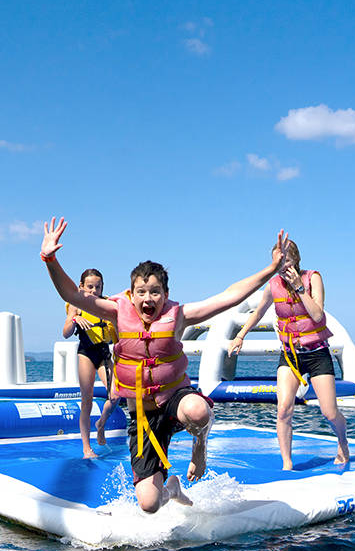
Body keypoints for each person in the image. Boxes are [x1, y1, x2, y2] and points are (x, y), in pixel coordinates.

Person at [41, 217, 287, 514]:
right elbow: (72, 294)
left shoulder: (180, 315)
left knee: (198, 411)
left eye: (155, 292)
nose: (148, 299)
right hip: (143, 414)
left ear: (166, 295)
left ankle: (199, 447)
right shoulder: (116, 313)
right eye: (141, 292)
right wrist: (50, 259)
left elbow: (229, 296)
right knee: (149, 504)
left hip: (174, 398)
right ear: (131, 295)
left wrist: (271, 269)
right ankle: (172, 488)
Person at [228, 238, 349, 470]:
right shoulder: (273, 285)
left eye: (287, 261)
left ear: (297, 260)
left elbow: (318, 316)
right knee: (283, 409)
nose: (283, 267)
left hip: (317, 353)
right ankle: (287, 463)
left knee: (329, 412)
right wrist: (240, 335)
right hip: (290, 355)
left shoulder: (313, 278)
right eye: (279, 262)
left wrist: (299, 287)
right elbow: (257, 313)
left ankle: (342, 442)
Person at [62, 268, 118, 459]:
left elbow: (118, 334)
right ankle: (87, 448)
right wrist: (75, 318)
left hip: (104, 353)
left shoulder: (108, 304)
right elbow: (66, 333)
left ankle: (101, 424)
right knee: (87, 400)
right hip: (86, 353)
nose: (94, 290)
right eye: (90, 286)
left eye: (98, 287)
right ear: (81, 286)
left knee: (115, 395)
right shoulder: (75, 304)